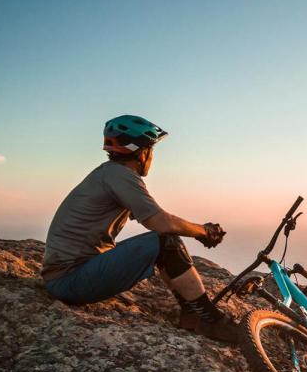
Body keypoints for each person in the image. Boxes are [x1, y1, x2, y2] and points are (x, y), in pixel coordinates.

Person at [40, 114, 236, 342]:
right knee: (165, 241)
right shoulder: (119, 175)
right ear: (142, 152)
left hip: (69, 276)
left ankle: (192, 313)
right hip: (71, 280)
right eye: (151, 150)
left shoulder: (110, 174)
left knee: (160, 243)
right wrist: (203, 231)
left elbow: (156, 218)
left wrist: (198, 231)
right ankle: (210, 319)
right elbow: (161, 222)